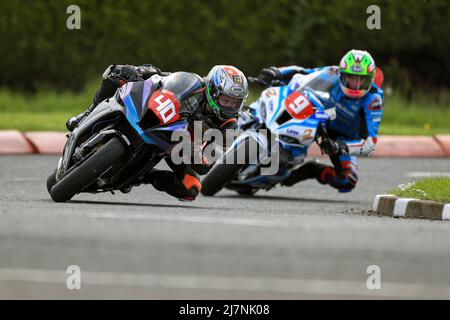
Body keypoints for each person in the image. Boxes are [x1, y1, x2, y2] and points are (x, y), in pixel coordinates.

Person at [66, 64, 248, 200]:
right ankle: (87, 114)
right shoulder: (192, 83)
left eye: (235, 102)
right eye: (226, 100)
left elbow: (207, 164)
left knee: (190, 189)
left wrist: (198, 154)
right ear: (213, 91)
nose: (230, 106)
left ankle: (144, 176)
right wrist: (139, 72)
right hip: (158, 118)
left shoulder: (229, 125)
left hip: (177, 146)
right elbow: (161, 78)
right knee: (116, 74)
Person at [257, 49, 384, 193]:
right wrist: (277, 73)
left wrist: (339, 146)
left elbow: (369, 144)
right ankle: (252, 122)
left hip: (341, 138)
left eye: (362, 79)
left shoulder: (373, 101)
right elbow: (303, 73)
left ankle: (305, 172)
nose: (356, 84)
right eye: (352, 78)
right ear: (342, 74)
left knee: (348, 180)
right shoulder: (331, 72)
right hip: (318, 118)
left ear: (371, 79)